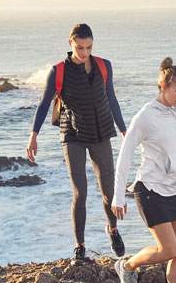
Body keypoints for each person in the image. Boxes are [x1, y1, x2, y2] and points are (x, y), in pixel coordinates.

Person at [26, 23, 127, 260]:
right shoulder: (58, 71)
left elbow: (111, 98)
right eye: (80, 47)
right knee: (80, 193)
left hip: (101, 132)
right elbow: (43, 104)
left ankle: (112, 230)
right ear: (70, 43)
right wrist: (33, 136)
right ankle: (80, 246)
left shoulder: (104, 66)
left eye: (89, 47)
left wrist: (124, 130)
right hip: (72, 135)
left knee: (109, 192)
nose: (84, 53)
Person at [112, 58, 176, 283]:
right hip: (150, 191)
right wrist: (118, 196)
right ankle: (126, 266)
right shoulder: (145, 116)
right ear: (163, 85)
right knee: (168, 249)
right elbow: (125, 155)